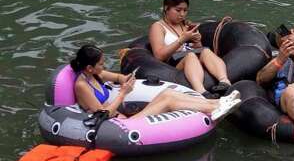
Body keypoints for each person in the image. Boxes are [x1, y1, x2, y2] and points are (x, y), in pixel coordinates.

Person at [70, 45, 240, 120]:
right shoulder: (82, 86)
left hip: (121, 116)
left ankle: (218, 101)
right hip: (117, 125)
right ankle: (214, 108)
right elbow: (103, 114)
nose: (104, 66)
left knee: (167, 93)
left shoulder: (95, 74)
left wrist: (125, 79)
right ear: (89, 68)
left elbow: (116, 77)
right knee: (168, 101)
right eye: (101, 64)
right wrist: (123, 92)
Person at [147, 0, 233, 95]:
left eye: (185, 10)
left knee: (205, 51)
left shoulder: (186, 25)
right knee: (190, 56)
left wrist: (197, 41)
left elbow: (197, 48)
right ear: (166, 8)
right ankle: (201, 91)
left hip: (190, 58)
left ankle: (224, 81)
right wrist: (181, 40)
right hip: (172, 63)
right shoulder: (158, 27)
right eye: (178, 10)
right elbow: (159, 55)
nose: (182, 14)